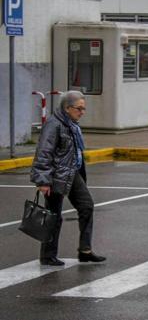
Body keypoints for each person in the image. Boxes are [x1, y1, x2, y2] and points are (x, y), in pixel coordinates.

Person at [30, 91, 106, 266]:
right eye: (79, 108)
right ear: (67, 108)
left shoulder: (71, 124)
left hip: (72, 173)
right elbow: (44, 152)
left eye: (83, 108)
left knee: (86, 206)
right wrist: (43, 181)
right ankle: (48, 255)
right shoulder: (54, 124)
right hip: (56, 176)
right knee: (53, 215)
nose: (82, 112)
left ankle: (85, 251)